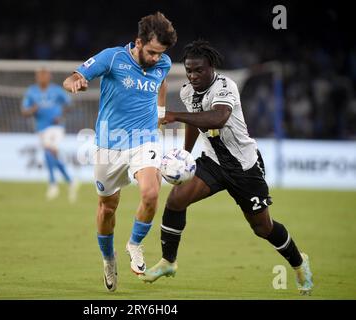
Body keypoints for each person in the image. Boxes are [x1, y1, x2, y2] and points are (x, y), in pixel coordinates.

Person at [139, 40, 314, 296]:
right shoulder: (188, 91)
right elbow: (195, 123)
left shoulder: (225, 86)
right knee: (176, 200)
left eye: (198, 70)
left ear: (211, 68)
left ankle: (299, 263)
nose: (193, 75)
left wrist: (174, 115)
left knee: (262, 228)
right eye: (189, 70)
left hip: (244, 167)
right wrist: (185, 155)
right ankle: (168, 261)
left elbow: (218, 118)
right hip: (213, 162)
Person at [63, 12, 177, 292]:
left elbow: (162, 80)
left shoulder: (164, 62)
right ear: (138, 42)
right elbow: (73, 77)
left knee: (151, 193)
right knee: (107, 208)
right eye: (150, 52)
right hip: (108, 146)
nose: (155, 59)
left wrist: (160, 112)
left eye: (159, 54)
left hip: (144, 139)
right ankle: (108, 258)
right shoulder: (112, 58)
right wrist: (75, 83)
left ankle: (135, 244)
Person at [22, 67, 79, 203]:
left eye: (44, 75)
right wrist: (32, 110)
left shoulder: (56, 90)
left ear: (49, 77)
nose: (42, 77)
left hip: (56, 128)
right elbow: (24, 112)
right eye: (39, 75)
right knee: (50, 154)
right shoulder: (31, 92)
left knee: (49, 152)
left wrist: (61, 115)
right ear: (36, 77)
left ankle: (53, 184)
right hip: (41, 128)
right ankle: (71, 181)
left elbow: (70, 104)